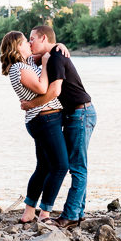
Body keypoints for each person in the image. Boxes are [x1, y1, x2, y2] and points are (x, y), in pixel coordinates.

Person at [21, 25, 97, 229]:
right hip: (74, 114)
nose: (30, 43)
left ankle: (71, 215)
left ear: (43, 38)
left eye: (32, 39)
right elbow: (27, 62)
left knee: (77, 167)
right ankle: (77, 213)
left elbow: (54, 91)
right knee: (75, 166)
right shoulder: (52, 54)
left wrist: (30, 105)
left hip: (81, 113)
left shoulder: (55, 56)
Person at [0, 31, 69, 223]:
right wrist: (46, 64)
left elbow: (48, 49)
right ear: (17, 47)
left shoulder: (28, 63)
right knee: (61, 165)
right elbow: (41, 88)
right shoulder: (18, 68)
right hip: (44, 120)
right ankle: (45, 213)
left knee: (44, 166)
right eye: (25, 42)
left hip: (43, 119)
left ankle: (28, 213)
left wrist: (60, 45)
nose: (29, 44)